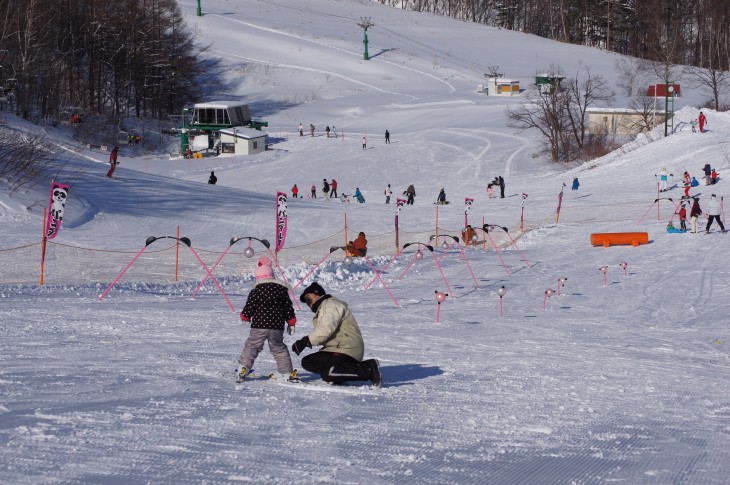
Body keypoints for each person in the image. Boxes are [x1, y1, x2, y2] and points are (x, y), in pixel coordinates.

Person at [292, 282, 381, 387]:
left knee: (328, 374)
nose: (307, 302)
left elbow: (325, 330)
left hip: (347, 347)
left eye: (308, 297)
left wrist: (305, 341)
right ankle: (339, 374)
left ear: (317, 293)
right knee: (309, 362)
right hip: (335, 348)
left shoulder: (330, 305)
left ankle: (369, 368)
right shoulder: (323, 308)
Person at [236, 256, 298, 383]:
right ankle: (286, 373)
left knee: (252, 346)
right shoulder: (281, 290)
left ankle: (243, 368)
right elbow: (288, 307)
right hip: (276, 326)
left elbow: (250, 306)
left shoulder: (257, 290)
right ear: (271, 275)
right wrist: (291, 322)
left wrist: (245, 316)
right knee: (279, 348)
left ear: (259, 277)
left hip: (259, 325)